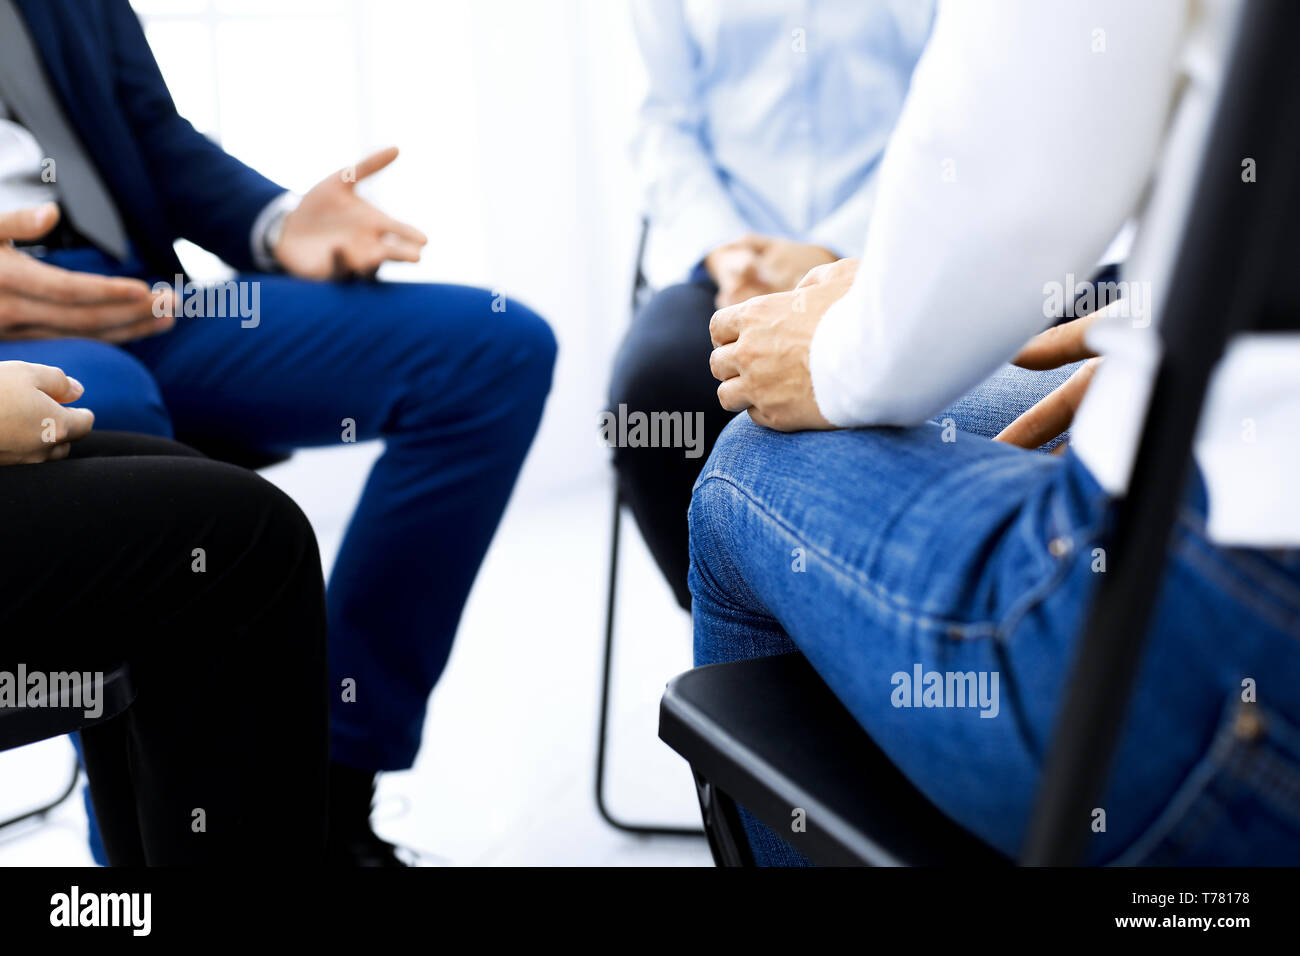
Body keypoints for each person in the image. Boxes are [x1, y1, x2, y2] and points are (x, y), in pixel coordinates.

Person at [691, 0, 1300, 864]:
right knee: (984, 404)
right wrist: (1188, 322)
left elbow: (1017, 184)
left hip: (1232, 622)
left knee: (750, 464)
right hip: (1235, 417)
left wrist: (836, 355)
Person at [0, 0, 555, 865]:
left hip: (147, 299)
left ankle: (333, 777)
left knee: (495, 353)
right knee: (119, 428)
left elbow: (148, 127)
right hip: (10, 353)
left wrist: (275, 220)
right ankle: (145, 854)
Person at [1, 207, 329, 865]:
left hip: (144, 289)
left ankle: (343, 794)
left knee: (193, 499)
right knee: (241, 538)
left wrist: (273, 222)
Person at [609, 0, 934, 608]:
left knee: (923, 378)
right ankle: (734, 628)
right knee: (650, 396)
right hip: (726, 258)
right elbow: (661, 124)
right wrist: (728, 251)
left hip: (888, 251)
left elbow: (948, 116)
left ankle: (854, 617)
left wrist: (829, 251)